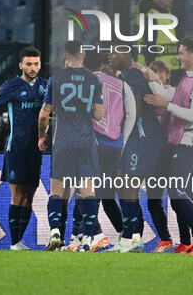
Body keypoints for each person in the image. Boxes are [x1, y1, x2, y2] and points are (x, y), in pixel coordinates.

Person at [143, 36, 193, 255]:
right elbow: (169, 94)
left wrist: (167, 105)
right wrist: (148, 75)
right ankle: (187, 243)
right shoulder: (188, 79)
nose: (179, 56)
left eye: (182, 52)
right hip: (179, 142)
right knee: (187, 193)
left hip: (190, 142)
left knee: (177, 191)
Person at [62, 52, 136, 252]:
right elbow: (131, 115)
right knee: (100, 191)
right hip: (115, 145)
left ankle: (93, 235)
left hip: (91, 142)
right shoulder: (121, 85)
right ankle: (79, 237)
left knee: (84, 190)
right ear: (103, 64)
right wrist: (123, 142)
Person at [38, 40, 103, 252]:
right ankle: (86, 239)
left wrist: (41, 134)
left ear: (65, 56)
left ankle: (55, 232)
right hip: (85, 141)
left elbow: (44, 113)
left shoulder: (55, 80)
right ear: (83, 55)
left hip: (63, 141)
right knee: (87, 191)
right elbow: (99, 114)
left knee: (57, 191)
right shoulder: (94, 80)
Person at [0, 47, 48, 251]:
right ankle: (14, 242)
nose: (33, 68)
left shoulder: (45, 86)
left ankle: (20, 241)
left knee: (30, 195)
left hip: (35, 149)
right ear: (21, 66)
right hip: (16, 147)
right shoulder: (11, 86)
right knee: (18, 195)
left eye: (36, 64)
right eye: (29, 64)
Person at [108, 50, 163, 253]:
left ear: (127, 55)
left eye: (115, 52)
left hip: (141, 134)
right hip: (131, 136)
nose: (110, 56)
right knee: (121, 182)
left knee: (129, 184)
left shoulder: (133, 76)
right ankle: (133, 236)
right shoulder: (125, 76)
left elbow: (135, 111)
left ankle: (131, 239)